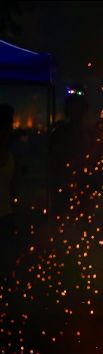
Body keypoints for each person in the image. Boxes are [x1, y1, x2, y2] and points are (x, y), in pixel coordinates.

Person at [0, 104, 19, 276]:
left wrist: (15, 216)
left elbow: (11, 189)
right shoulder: (10, 156)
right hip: (5, 216)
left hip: (5, 216)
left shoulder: (11, 156)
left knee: (6, 266)